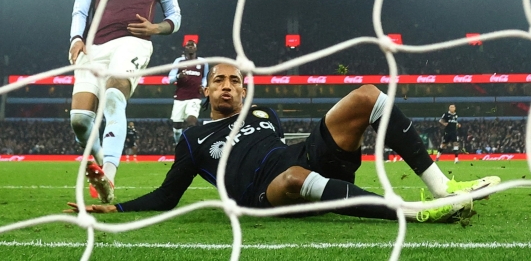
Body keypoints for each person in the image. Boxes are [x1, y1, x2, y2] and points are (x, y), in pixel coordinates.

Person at [67, 64, 500, 222]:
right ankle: (414, 213)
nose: (226, 86)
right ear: (207, 90)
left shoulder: (263, 114)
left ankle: (442, 188)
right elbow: (167, 196)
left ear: (243, 90)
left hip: (301, 157)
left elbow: (281, 145)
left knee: (368, 95)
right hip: (263, 192)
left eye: (234, 81)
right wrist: (118, 209)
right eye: (218, 80)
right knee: (294, 176)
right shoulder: (194, 138)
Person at [68, 0, 182, 202]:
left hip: (133, 42)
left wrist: (156, 28)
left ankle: (108, 174)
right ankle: (99, 161)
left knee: (114, 97)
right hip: (94, 47)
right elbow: (80, 8)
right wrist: (76, 38)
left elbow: (174, 15)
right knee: (80, 120)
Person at [168, 38, 207, 144]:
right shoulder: (179, 61)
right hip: (180, 97)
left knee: (191, 121)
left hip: (195, 96)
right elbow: (170, 79)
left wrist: (203, 86)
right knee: (177, 126)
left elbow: (205, 77)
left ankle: (190, 145)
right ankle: (178, 144)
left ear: (196, 48)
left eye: (192, 45)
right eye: (188, 45)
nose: (190, 46)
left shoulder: (202, 62)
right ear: (185, 48)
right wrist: (178, 76)